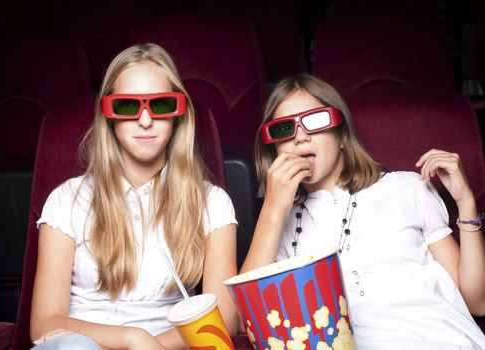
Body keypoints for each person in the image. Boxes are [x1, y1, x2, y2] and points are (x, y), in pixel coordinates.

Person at [241, 73, 485, 349]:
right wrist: (273, 209)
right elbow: (248, 319)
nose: (300, 136)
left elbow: (477, 303)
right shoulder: (281, 223)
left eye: (316, 120)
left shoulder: (408, 188)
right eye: (284, 129)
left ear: (342, 135)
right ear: (275, 149)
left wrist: (466, 202)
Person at [29, 43, 239, 350]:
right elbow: (45, 324)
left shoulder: (212, 203)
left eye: (162, 105)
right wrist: (132, 339)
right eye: (128, 106)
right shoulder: (66, 200)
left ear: (179, 113)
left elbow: (224, 320)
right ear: (109, 114)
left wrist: (151, 345)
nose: (145, 120)